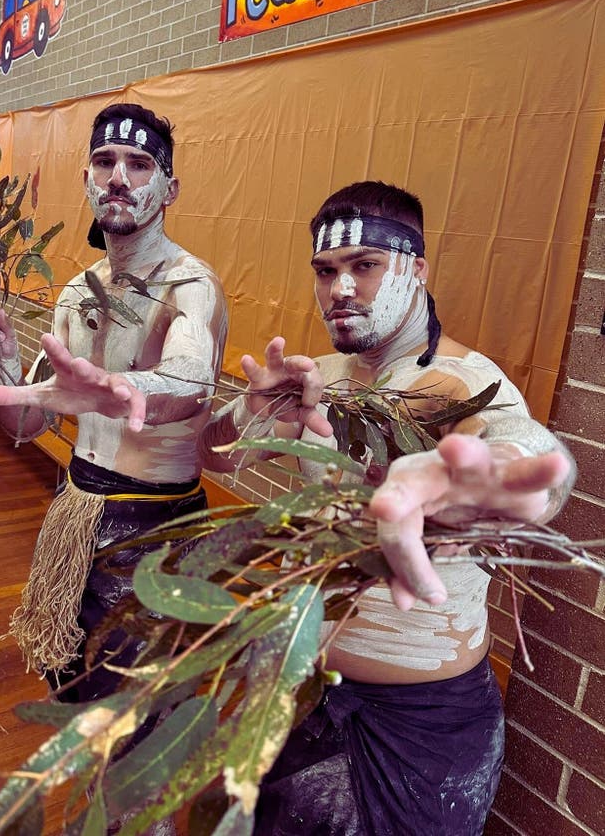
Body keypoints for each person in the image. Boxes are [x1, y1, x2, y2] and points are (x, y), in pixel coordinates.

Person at [198, 180, 574, 836]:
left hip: (421, 729)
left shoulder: (459, 384)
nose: (340, 289)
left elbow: (537, 467)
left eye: (365, 266)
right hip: (305, 696)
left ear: (417, 271)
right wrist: (247, 416)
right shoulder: (318, 379)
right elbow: (217, 456)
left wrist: (483, 485)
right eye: (326, 271)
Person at [0, 102, 228, 702]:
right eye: (104, 161)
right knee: (70, 683)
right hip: (75, 509)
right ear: (86, 178)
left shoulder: (192, 286)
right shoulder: (76, 291)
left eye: (139, 165)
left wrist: (128, 390)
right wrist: (2, 369)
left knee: (138, 707)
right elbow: (29, 423)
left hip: (152, 528)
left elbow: (190, 378)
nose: (118, 176)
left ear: (170, 187)